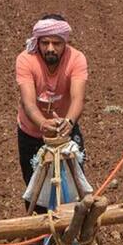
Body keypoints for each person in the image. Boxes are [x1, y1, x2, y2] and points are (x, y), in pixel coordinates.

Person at [16, 14, 88, 215]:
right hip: (31, 132)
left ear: (65, 42)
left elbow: (78, 98)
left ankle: (74, 232)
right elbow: (28, 102)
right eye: (45, 42)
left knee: (75, 183)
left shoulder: (77, 59)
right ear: (37, 42)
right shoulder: (25, 60)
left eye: (56, 43)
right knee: (35, 185)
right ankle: (38, 237)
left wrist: (69, 121)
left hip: (64, 132)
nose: (50, 48)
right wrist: (42, 123)